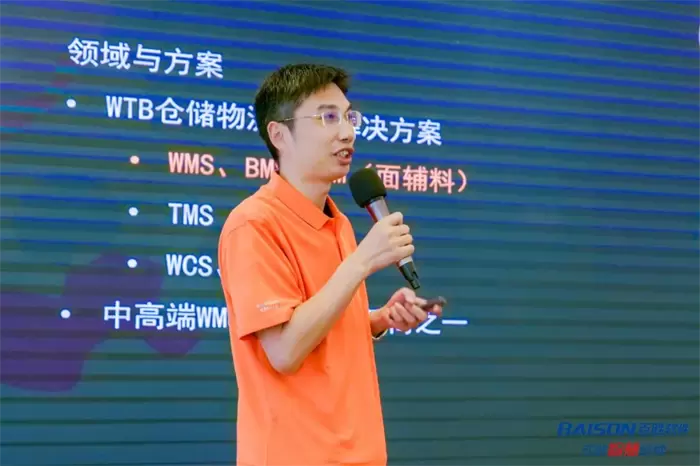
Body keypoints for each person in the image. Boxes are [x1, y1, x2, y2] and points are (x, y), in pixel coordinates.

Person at [217, 63, 443, 466]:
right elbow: (285, 350)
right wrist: (360, 263)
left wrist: (378, 319)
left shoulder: (338, 222)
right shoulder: (253, 224)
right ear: (279, 135)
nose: (347, 132)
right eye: (328, 117)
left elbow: (319, 324)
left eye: (349, 116)